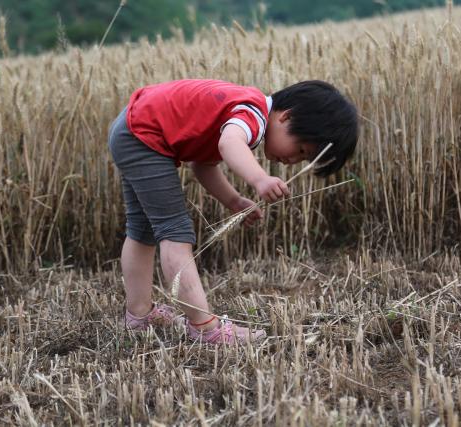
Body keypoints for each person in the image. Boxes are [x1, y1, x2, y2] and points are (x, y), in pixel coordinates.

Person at [107, 79, 358, 344]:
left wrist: (235, 201)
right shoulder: (253, 113)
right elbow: (229, 144)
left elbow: (202, 165)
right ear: (287, 117)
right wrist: (260, 179)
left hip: (132, 129)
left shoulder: (241, 110)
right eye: (301, 150)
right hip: (143, 135)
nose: (293, 161)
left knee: (142, 229)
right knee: (175, 232)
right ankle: (205, 328)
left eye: (302, 159)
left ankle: (139, 315)